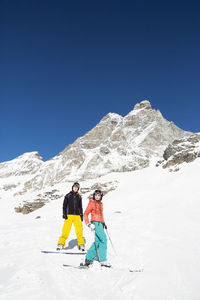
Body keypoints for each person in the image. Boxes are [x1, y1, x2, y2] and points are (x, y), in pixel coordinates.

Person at [82, 189, 109, 267]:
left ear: (101, 197)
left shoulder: (101, 204)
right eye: (96, 195)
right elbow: (85, 214)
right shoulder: (91, 203)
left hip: (100, 224)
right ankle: (103, 260)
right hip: (95, 224)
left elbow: (100, 215)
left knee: (97, 242)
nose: (97, 197)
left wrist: (103, 222)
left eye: (99, 195)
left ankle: (88, 258)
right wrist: (88, 224)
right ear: (94, 195)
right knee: (103, 240)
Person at [57, 182, 85, 251]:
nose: (75, 188)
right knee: (65, 230)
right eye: (74, 187)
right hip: (69, 215)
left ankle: (81, 244)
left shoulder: (79, 197)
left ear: (78, 189)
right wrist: (64, 214)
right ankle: (61, 243)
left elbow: (80, 207)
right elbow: (64, 205)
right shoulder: (68, 195)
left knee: (79, 231)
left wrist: (81, 215)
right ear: (72, 187)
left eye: (77, 187)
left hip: (77, 216)